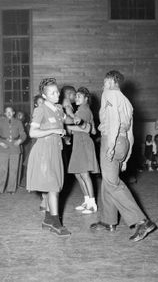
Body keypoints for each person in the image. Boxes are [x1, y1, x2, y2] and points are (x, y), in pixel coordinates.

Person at [90, 70, 157, 242]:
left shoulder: (109, 94)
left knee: (112, 183)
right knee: (107, 180)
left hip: (111, 140)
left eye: (104, 82)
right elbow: (130, 133)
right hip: (123, 143)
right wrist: (126, 156)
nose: (103, 86)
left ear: (112, 82)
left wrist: (111, 146)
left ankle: (141, 221)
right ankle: (108, 220)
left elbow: (113, 121)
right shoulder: (127, 102)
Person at [27, 78, 74, 236]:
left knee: (53, 186)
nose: (57, 94)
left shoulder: (59, 109)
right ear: (44, 95)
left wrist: (65, 135)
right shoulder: (41, 109)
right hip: (43, 152)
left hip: (56, 151)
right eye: (52, 92)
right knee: (53, 187)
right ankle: (56, 223)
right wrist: (53, 131)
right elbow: (33, 133)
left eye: (57, 91)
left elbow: (63, 126)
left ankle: (47, 220)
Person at [68, 87, 99, 214]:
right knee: (77, 173)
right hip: (79, 143)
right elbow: (94, 130)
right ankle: (87, 201)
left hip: (83, 143)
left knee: (84, 174)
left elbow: (86, 130)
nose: (76, 98)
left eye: (79, 96)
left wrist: (69, 126)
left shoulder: (84, 110)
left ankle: (92, 204)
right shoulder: (82, 110)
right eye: (76, 96)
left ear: (86, 98)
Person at [0, 106, 27, 194]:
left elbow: (23, 134)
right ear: (4, 113)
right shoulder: (1, 121)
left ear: (14, 113)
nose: (9, 113)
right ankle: (0, 188)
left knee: (14, 169)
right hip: (3, 147)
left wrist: (20, 140)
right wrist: (0, 143)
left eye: (10, 112)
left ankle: (11, 189)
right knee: (2, 169)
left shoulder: (18, 122)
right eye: (7, 112)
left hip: (15, 148)